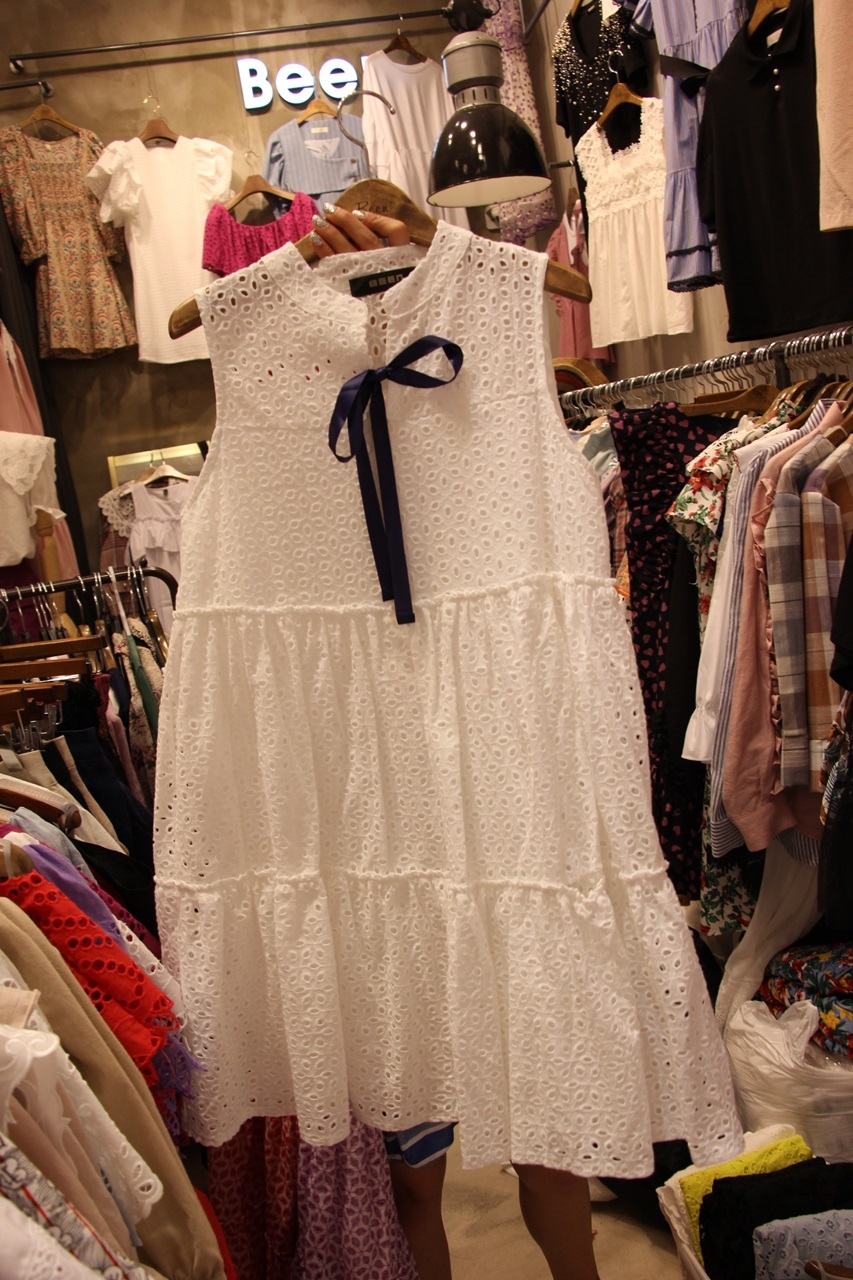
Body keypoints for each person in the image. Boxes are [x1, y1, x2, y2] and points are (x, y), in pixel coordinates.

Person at [307, 202, 606, 1280]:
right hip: (371, 798)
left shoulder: (504, 298)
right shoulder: (267, 340)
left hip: (506, 773)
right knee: (411, 1168)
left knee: (547, 1118)